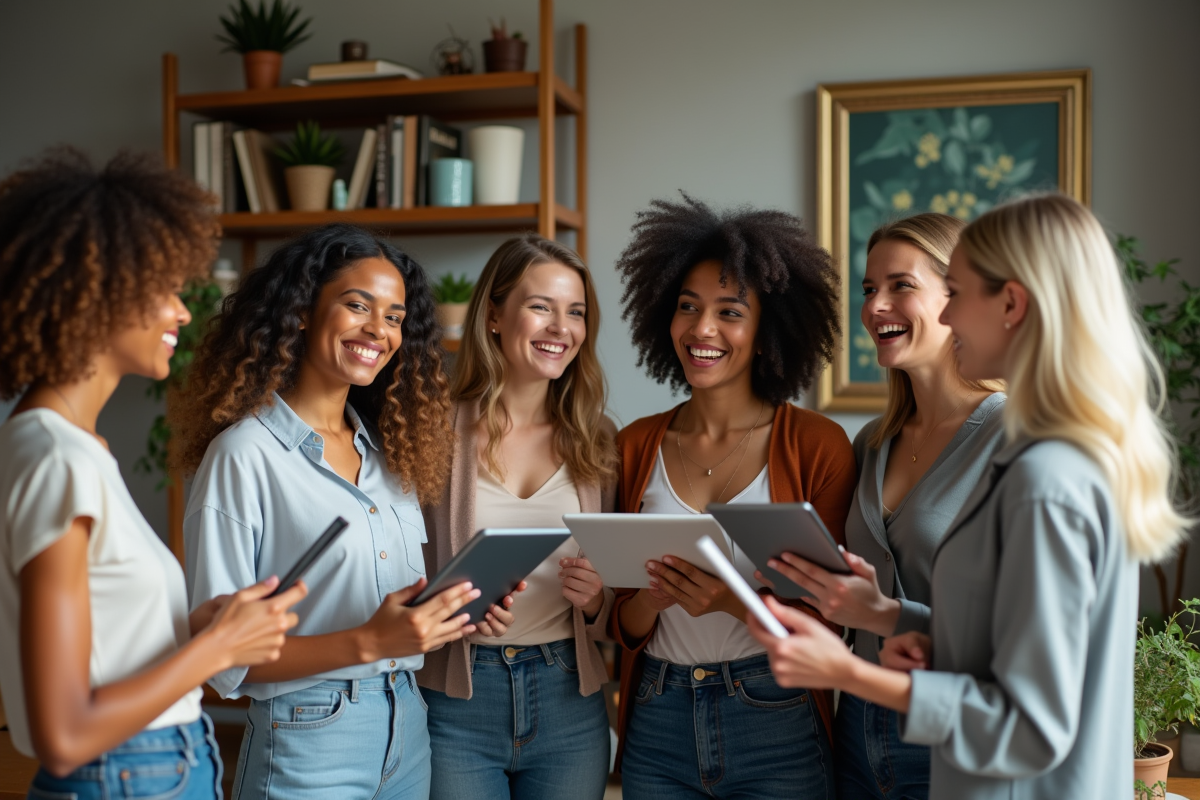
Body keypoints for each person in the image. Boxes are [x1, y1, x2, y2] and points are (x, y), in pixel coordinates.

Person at [747, 194, 1190, 799]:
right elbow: (1003, 641)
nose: (950, 317)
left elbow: (1030, 724)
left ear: (1010, 303)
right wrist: (883, 615)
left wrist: (849, 672)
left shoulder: (1043, 478)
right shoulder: (1032, 457)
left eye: (953, 292)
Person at [0, 149, 306, 799]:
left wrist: (200, 630)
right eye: (164, 288)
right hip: (127, 773)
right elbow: (64, 731)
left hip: (152, 766)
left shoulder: (62, 446)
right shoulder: (59, 460)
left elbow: (100, 644)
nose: (183, 312)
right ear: (99, 290)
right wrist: (216, 649)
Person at [175, 223, 478, 799]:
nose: (378, 330)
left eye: (394, 317)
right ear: (301, 311)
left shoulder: (391, 457)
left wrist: (447, 614)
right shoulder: (243, 455)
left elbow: (390, 611)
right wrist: (369, 642)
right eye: (357, 305)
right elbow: (222, 660)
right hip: (308, 736)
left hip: (408, 729)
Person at [609, 194, 858, 799]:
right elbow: (619, 621)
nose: (702, 329)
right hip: (657, 715)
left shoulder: (816, 445)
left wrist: (728, 601)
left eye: (730, 312)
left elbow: (832, 619)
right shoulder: (635, 444)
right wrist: (650, 598)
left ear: (767, 328)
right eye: (687, 307)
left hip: (775, 712)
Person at [762, 213, 1004, 800]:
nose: (875, 307)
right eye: (870, 289)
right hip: (858, 723)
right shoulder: (872, 442)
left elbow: (1011, 628)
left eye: (901, 285)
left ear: (956, 298)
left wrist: (884, 612)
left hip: (951, 728)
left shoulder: (1011, 437)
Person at [417, 234, 618, 800]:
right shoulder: (431, 433)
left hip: (568, 701)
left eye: (575, 312)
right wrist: (454, 610)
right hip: (456, 701)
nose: (561, 328)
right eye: (541, 307)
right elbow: (392, 564)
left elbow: (622, 600)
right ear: (495, 316)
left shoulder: (598, 442)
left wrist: (598, 599)